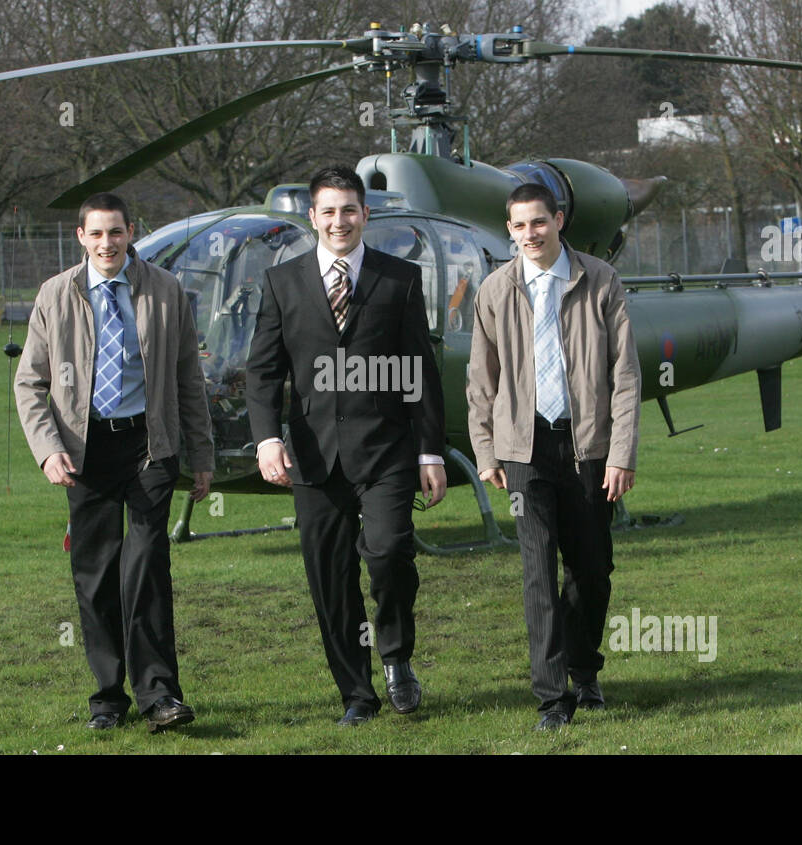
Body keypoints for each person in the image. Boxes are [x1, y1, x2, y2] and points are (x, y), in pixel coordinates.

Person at [246, 165, 446, 726]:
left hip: (386, 451)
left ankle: (397, 656)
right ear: (312, 217)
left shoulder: (400, 279)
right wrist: (266, 438)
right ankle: (357, 694)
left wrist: (430, 451)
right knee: (330, 579)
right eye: (329, 211)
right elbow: (263, 371)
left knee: (389, 553)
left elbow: (420, 371)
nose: (340, 221)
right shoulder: (281, 283)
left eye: (350, 210)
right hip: (313, 456)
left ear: (366, 214)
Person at [15, 192, 214, 733]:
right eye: (97, 234)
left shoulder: (165, 290)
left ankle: (160, 696)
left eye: (117, 232)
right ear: (81, 237)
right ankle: (107, 698)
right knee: (97, 573)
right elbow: (29, 383)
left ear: (131, 233)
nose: (108, 243)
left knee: (146, 566)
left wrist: (201, 455)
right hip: (85, 451)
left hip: (150, 445)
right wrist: (47, 449)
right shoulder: (55, 294)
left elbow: (188, 379)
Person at [466, 182, 641, 731]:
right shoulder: (494, 290)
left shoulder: (601, 280)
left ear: (559, 220)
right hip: (524, 450)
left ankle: (584, 670)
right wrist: (486, 450)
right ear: (509, 230)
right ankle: (552, 697)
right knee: (537, 570)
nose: (530, 234)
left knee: (592, 570)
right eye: (519, 225)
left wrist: (621, 453)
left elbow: (625, 374)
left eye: (538, 222)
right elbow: (481, 380)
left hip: (588, 446)